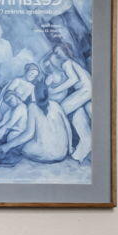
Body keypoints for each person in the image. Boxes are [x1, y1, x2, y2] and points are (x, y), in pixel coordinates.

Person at [42, 27, 94, 163]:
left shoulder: (67, 63)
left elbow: (73, 80)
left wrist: (55, 89)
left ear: (65, 52)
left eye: (57, 52)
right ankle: (83, 147)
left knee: (60, 111)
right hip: (86, 91)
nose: (55, 54)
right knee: (78, 115)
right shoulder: (69, 64)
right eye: (55, 52)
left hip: (85, 90)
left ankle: (63, 143)